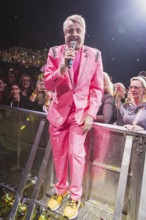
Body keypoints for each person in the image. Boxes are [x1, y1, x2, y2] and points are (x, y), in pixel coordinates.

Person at [44, 14, 103, 219]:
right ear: (64, 33)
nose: (74, 34)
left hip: (79, 115)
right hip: (59, 112)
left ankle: (75, 197)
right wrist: (62, 67)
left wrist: (91, 114)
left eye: (78, 30)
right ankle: (60, 190)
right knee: (59, 155)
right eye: (70, 30)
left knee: (76, 155)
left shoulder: (95, 55)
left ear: (84, 33)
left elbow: (97, 89)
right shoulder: (54, 52)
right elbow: (48, 84)